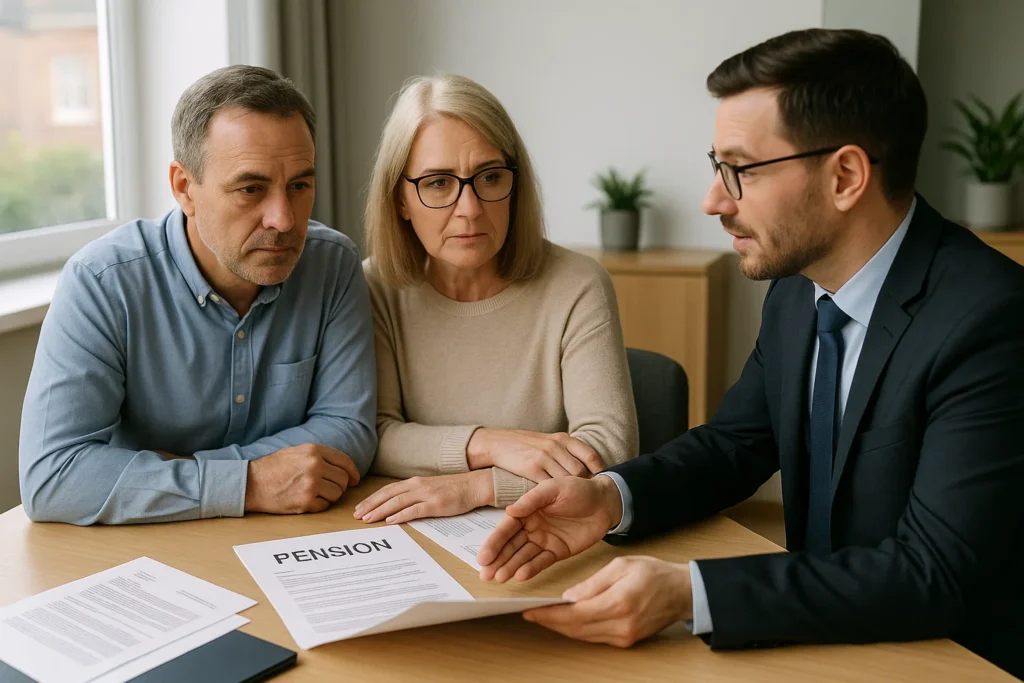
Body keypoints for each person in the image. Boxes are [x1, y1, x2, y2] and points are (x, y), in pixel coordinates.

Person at [476, 29, 1024, 678]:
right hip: (821, 638)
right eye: (717, 167)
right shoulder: (798, 292)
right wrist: (609, 497)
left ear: (845, 175)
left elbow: (932, 572)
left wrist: (691, 592)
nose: (715, 199)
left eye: (741, 169)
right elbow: (733, 444)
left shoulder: (990, 320)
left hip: (946, 659)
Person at [19, 66, 377, 525]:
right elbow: (54, 477)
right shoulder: (102, 282)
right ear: (185, 188)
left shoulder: (333, 264)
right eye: (251, 188)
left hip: (287, 539)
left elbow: (348, 431)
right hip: (144, 555)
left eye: (299, 186)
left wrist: (173, 472)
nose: (284, 220)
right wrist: (249, 482)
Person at [353, 75, 639, 525]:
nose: (469, 209)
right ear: (400, 200)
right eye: (438, 183)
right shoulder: (376, 286)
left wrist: (478, 486)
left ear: (515, 184)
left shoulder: (577, 283)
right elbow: (375, 435)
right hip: (416, 533)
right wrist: (488, 443)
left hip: (552, 530)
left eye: (489, 177)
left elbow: (609, 449)